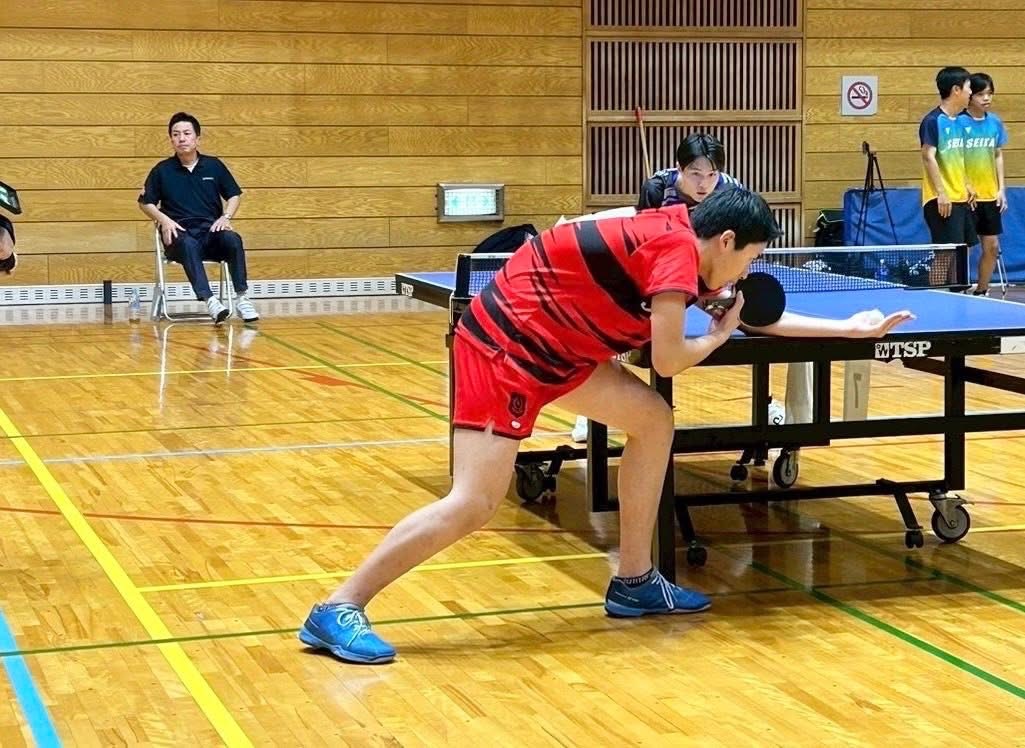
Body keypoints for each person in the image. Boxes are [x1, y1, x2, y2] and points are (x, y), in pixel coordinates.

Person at [298, 189, 914, 664]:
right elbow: (669, 359)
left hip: (558, 348)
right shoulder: (676, 254)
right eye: (750, 257)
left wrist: (849, 329)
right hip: (505, 347)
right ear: (726, 239)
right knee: (474, 502)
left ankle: (635, 579)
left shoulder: (688, 242)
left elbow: (750, 314)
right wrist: (717, 337)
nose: (746, 271)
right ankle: (339, 606)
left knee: (653, 420)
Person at [138, 112, 259, 324]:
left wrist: (226, 217)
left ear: (197, 138)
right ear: (171, 139)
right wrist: (163, 220)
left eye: (186, 133)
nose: (181, 138)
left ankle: (242, 298)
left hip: (209, 233)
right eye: (176, 134)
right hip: (179, 235)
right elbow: (144, 202)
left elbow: (234, 195)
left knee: (233, 239)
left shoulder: (214, 166)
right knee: (188, 244)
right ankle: (210, 300)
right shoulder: (162, 170)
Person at [960, 72, 1008, 296]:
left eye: (989, 93)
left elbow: (997, 154)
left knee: (992, 247)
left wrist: (1001, 189)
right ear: (970, 96)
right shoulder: (958, 123)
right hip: (965, 197)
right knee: (964, 249)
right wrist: (965, 184)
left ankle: (981, 290)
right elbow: (953, 159)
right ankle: (958, 290)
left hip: (990, 196)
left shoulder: (995, 122)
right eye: (981, 94)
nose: (986, 98)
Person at [920, 67, 977, 250]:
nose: (971, 92)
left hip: (961, 198)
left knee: (964, 251)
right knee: (946, 256)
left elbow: (958, 158)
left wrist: (967, 184)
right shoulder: (933, 121)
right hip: (941, 200)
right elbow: (928, 157)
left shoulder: (961, 121)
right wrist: (941, 193)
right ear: (956, 90)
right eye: (968, 87)